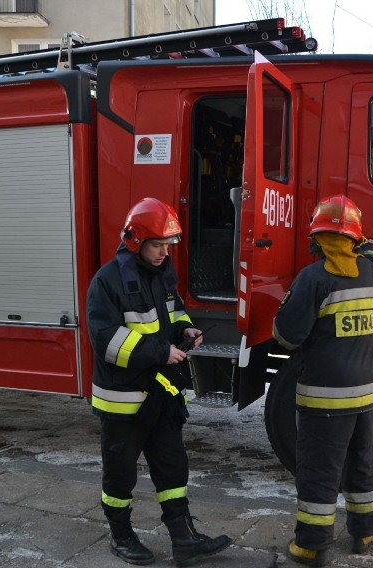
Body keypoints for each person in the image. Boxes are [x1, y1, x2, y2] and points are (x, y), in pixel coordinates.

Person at [86, 197, 231, 567]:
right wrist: (160, 352)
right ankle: (121, 535)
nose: (164, 253)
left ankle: (183, 538)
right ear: (135, 242)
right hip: (124, 400)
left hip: (160, 394)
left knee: (172, 467)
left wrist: (185, 329)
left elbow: (173, 312)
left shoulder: (160, 276)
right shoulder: (107, 281)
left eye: (168, 246)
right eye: (157, 245)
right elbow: (106, 339)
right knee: (119, 476)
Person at [272, 195, 373, 566]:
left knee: (320, 470)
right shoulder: (369, 272)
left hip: (324, 399)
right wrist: (365, 244)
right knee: (363, 462)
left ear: (317, 239)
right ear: (354, 240)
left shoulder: (313, 278)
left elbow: (288, 335)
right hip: (367, 397)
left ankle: (311, 545)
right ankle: (366, 532)